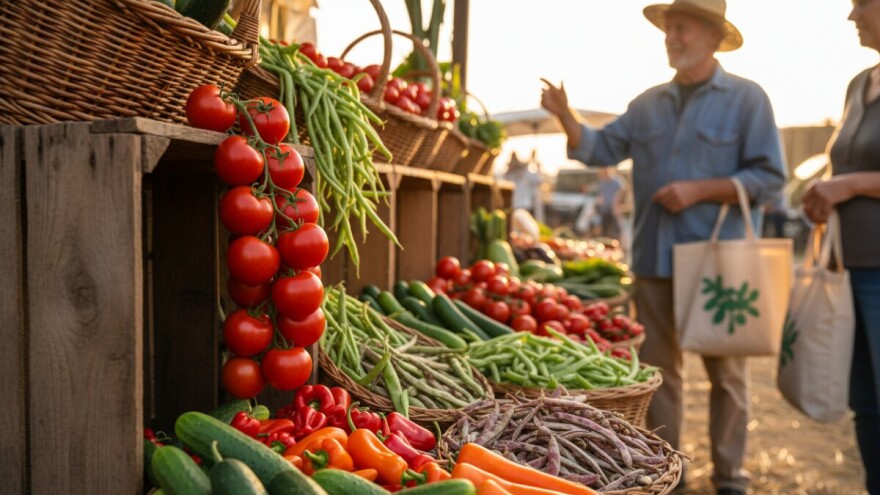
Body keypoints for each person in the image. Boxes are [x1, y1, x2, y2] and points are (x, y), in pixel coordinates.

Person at [540, 1, 786, 494]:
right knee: (660, 374)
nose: (671, 37)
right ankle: (673, 472)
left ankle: (731, 479)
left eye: (682, 28)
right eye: (668, 29)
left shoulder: (747, 99)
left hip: (720, 267)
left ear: (713, 38)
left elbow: (769, 178)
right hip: (653, 259)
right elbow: (599, 148)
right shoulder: (648, 103)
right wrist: (567, 116)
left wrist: (700, 189)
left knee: (728, 376)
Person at [801, 1, 880, 491]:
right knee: (866, 406)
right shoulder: (860, 83)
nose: (852, 16)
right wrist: (823, 192)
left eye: (862, 4)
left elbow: (849, 177)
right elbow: (841, 163)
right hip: (847, 268)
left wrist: (847, 186)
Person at [504, 152, 544, 217]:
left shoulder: (526, 173)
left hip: (524, 207)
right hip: (514, 206)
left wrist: (534, 162)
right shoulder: (509, 175)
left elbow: (538, 180)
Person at [595, 167, 628, 240]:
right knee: (604, 231)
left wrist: (617, 202)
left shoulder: (617, 181)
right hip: (605, 210)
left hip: (614, 210)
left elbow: (623, 189)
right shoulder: (602, 182)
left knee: (615, 232)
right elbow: (601, 194)